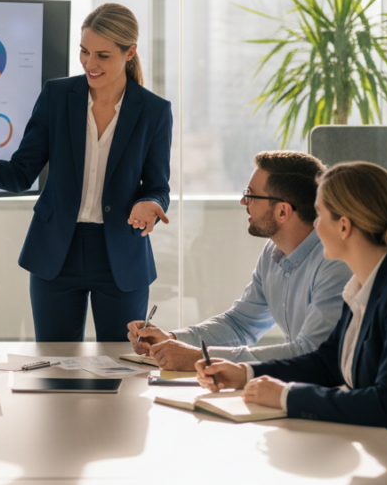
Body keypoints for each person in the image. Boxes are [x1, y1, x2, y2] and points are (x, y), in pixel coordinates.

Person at [195, 161, 387, 474]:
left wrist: (286, 395)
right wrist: (246, 373)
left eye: (320, 215)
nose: (314, 225)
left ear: (344, 226)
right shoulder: (363, 285)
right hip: (385, 455)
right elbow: (325, 362)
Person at [0, 2, 171, 342]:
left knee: (124, 367)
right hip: (56, 251)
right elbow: (19, 173)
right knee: (55, 368)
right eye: (84, 52)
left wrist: (149, 204)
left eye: (103, 55)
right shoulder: (57, 97)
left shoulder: (155, 112)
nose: (90, 63)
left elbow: (159, 187)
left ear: (129, 52)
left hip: (121, 255)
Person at [126, 151, 350, 369]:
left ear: (283, 211)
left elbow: (310, 353)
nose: (243, 201)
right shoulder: (273, 252)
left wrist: (201, 357)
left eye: (251, 195)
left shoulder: (334, 264)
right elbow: (240, 324)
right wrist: (172, 339)